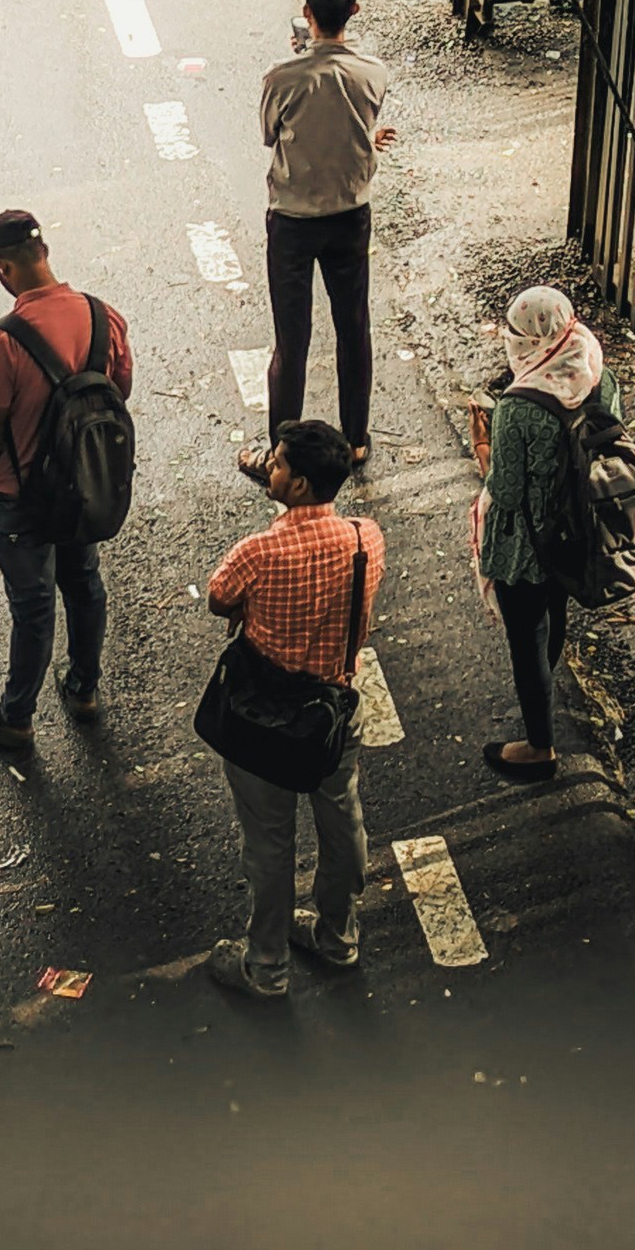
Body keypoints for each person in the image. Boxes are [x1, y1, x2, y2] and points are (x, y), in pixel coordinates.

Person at [203, 418, 385, 998]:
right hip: (333, 711)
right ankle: (338, 937)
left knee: (269, 842)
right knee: (341, 819)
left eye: (277, 463)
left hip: (265, 718)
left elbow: (219, 597)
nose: (269, 468)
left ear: (300, 484)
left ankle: (266, 965)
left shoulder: (259, 551)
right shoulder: (366, 538)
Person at [0, 211, 132, 753]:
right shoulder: (105, 317)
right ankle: (82, 689)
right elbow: (118, 391)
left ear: (3, 269)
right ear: (46, 252)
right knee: (83, 581)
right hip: (81, 483)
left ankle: (17, 717)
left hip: (20, 495)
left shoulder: (1, 341)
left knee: (32, 605)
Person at [254, 0, 395, 476]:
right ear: (353, 11)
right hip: (350, 215)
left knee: (292, 341)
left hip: (292, 220)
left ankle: (282, 453)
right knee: (353, 326)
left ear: (306, 14)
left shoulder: (282, 77)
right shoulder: (372, 72)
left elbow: (273, 135)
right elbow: (358, 124)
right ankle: (355, 439)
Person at [473, 286, 619, 779]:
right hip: (578, 530)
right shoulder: (595, 367)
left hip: (528, 546)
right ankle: (544, 686)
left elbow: (507, 493)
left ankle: (540, 746)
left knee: (527, 635)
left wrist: (485, 447)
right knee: (556, 613)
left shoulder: (517, 409)